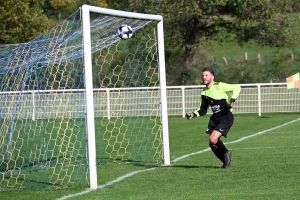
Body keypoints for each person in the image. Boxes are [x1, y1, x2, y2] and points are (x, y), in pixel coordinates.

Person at [186, 68, 241, 168]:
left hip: (225, 117)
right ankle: (226, 163)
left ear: (212, 77)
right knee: (212, 144)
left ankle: (226, 152)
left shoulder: (219, 86)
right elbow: (203, 110)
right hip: (215, 119)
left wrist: (231, 101)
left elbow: (237, 88)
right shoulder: (204, 93)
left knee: (213, 139)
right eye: (203, 75)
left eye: (206, 75)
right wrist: (193, 114)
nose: (204, 77)